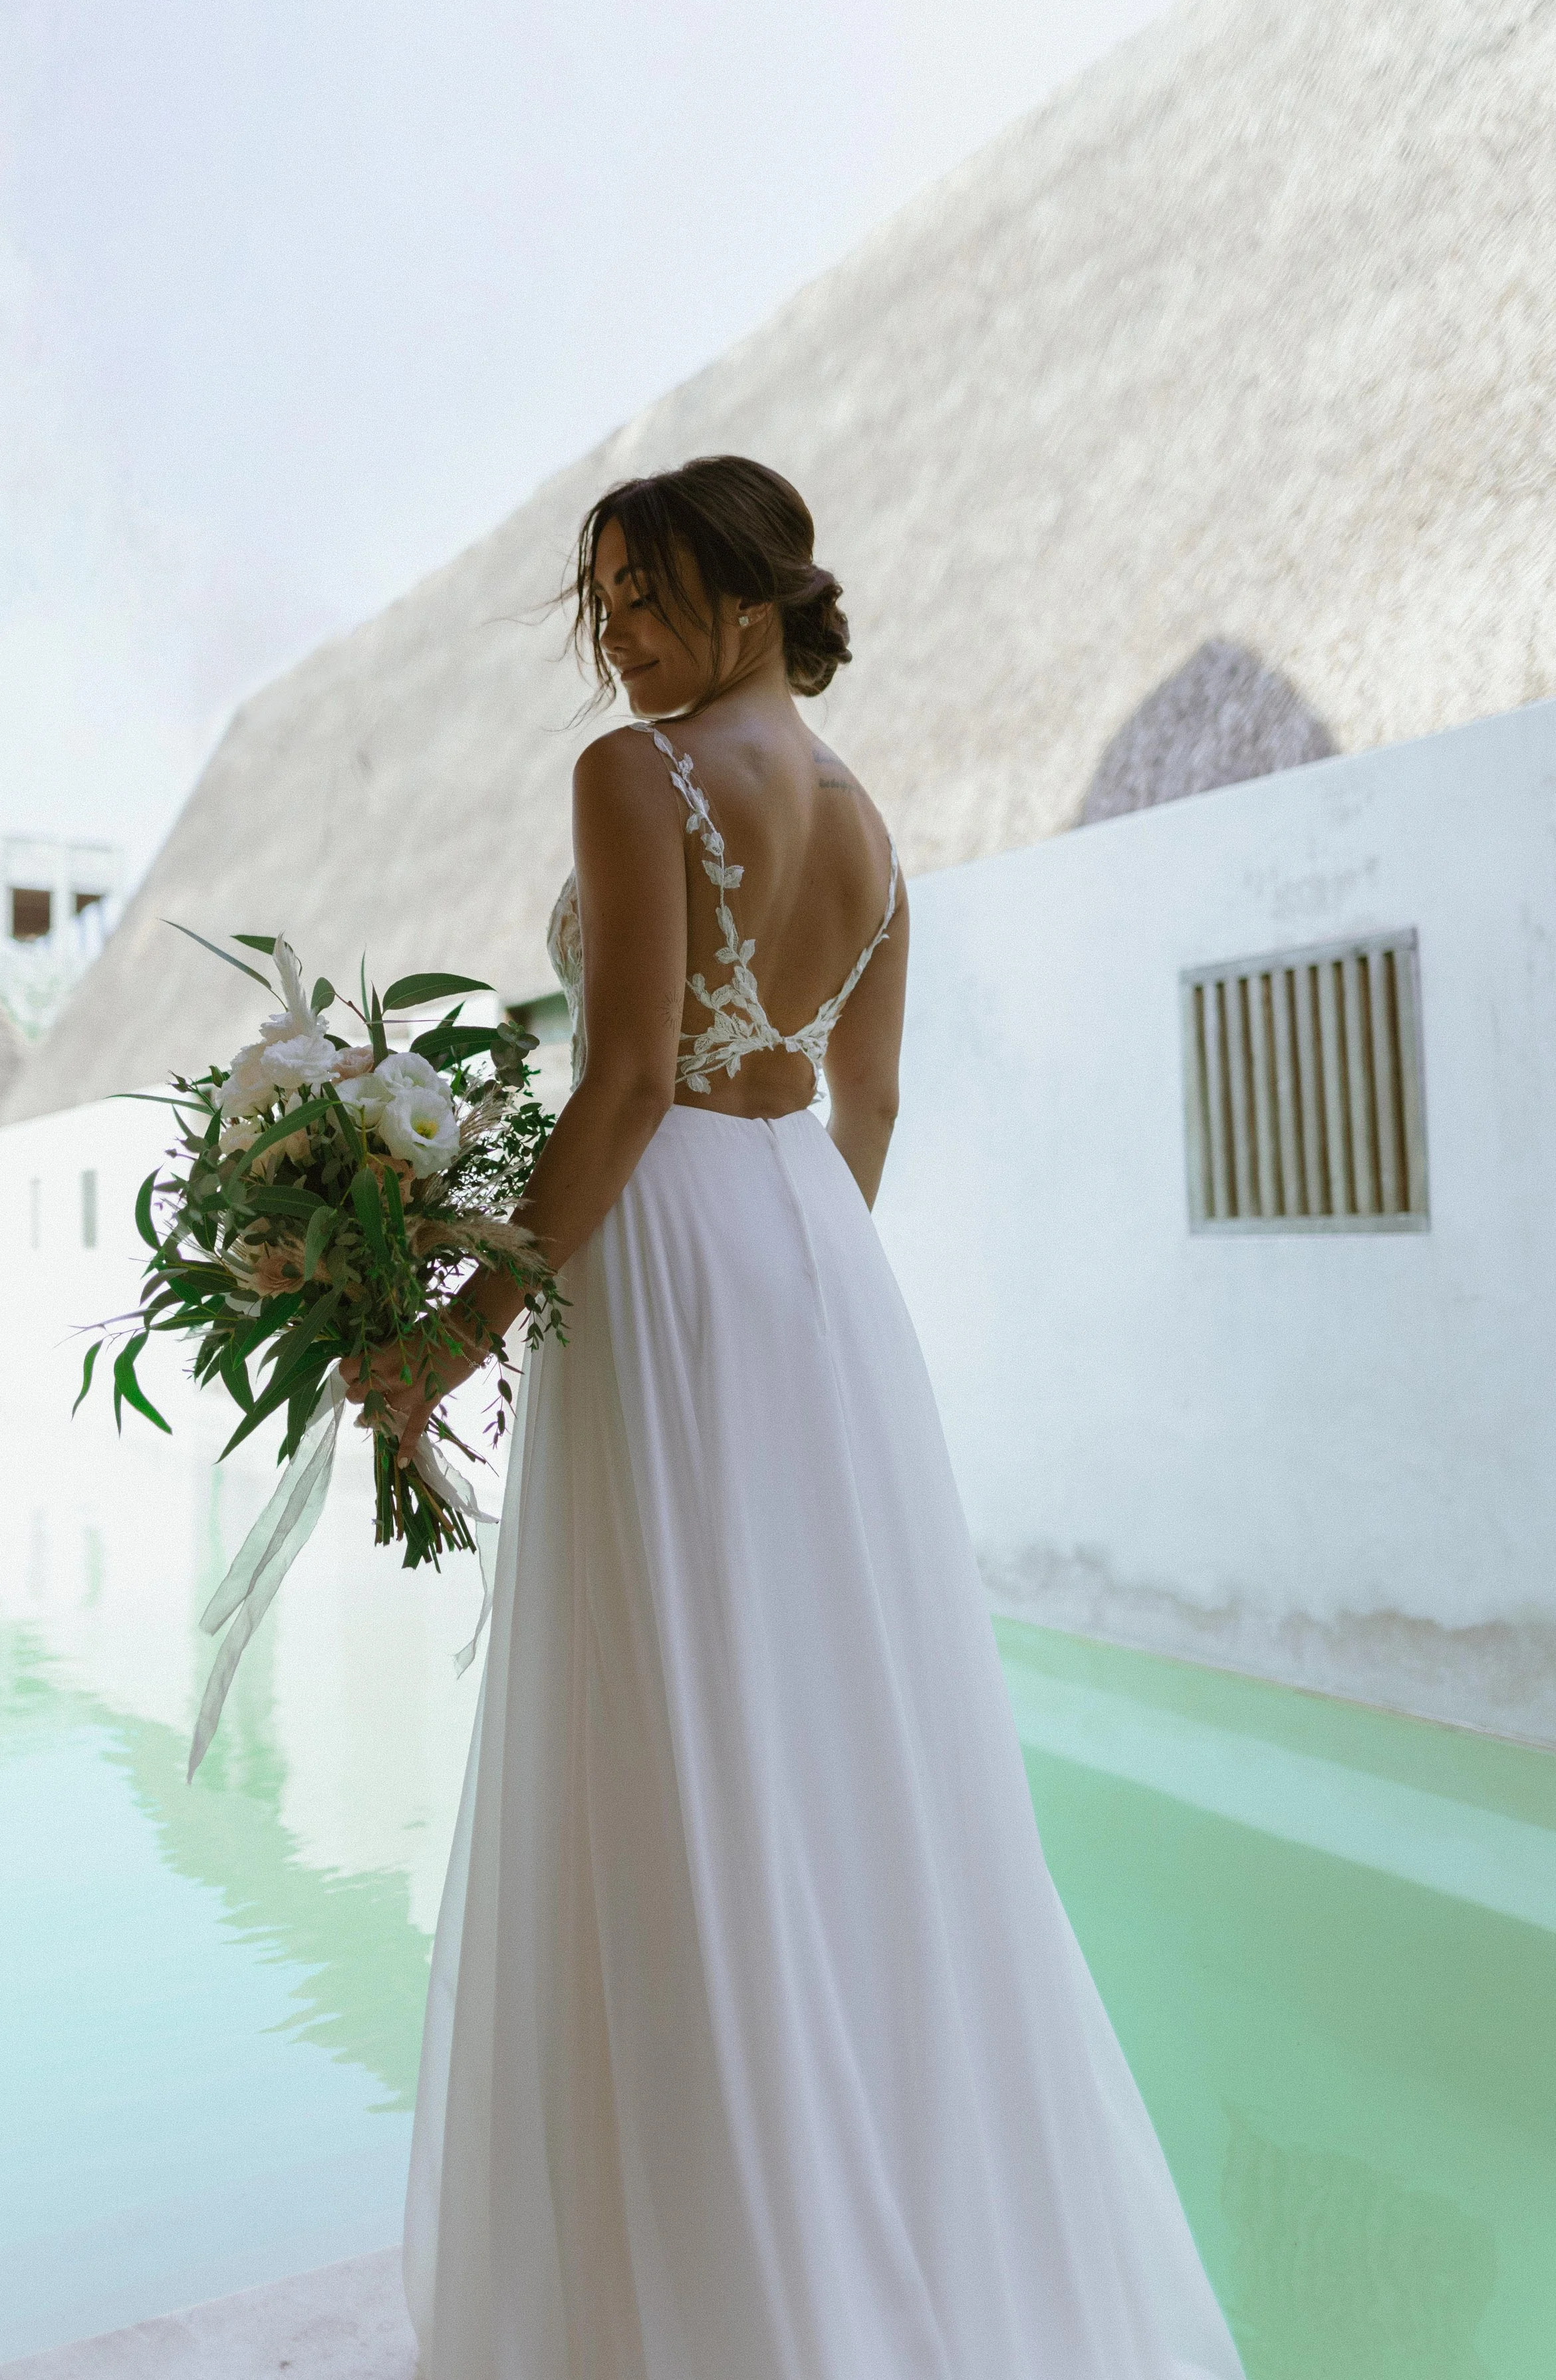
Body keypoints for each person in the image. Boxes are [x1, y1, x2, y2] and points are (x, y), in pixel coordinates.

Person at [344, 456, 1244, 2380]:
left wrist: (454, 1330)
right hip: (817, 1272)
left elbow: (628, 1080)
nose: (620, 637)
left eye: (648, 592)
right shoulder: (872, 826)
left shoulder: (632, 777)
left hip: (665, 1242)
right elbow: (872, 1104)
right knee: (839, 1757)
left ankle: (704, 2285)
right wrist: (801, 1297)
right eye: (601, 607)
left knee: (664, 1731)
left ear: (748, 591)